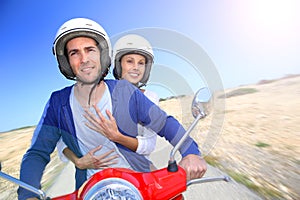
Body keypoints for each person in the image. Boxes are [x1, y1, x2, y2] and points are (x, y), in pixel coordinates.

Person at [18, 18, 207, 200]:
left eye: (90, 50)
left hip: (139, 185)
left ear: (101, 54)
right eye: (74, 53)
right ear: (67, 61)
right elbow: (37, 152)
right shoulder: (58, 103)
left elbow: (164, 123)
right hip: (90, 191)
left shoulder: (125, 91)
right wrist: (28, 195)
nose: (84, 59)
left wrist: (190, 152)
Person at [57, 34, 159, 170]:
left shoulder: (150, 98)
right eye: (129, 61)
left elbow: (149, 145)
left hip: (138, 170)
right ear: (118, 65)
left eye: (141, 63)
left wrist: (117, 137)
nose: (136, 67)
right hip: (100, 177)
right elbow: (62, 138)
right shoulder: (100, 92)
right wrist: (78, 161)